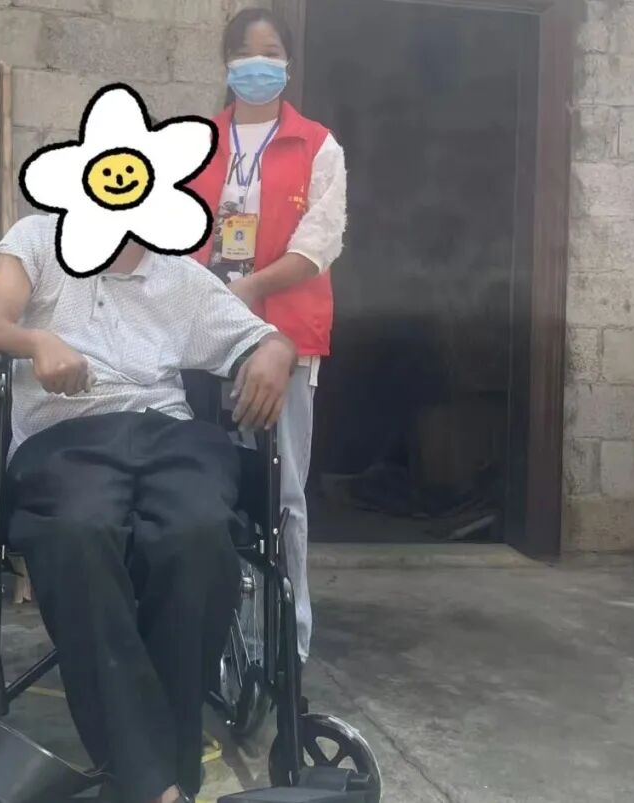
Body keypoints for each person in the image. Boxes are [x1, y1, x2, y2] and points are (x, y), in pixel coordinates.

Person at [0, 213, 297, 803]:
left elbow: (261, 337)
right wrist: (37, 340)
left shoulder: (180, 276)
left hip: (170, 435)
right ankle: (159, 784)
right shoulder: (38, 240)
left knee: (198, 534)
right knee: (78, 533)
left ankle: (147, 779)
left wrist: (278, 350)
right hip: (65, 436)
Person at [187, 7, 348, 664]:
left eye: (271, 51)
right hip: (201, 339)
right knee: (204, 483)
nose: (259, 63)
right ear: (227, 63)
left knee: (282, 492)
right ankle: (215, 634)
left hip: (286, 339)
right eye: (246, 52)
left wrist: (250, 288)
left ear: (287, 62)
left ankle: (283, 643)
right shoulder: (197, 142)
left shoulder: (317, 146)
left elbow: (319, 243)